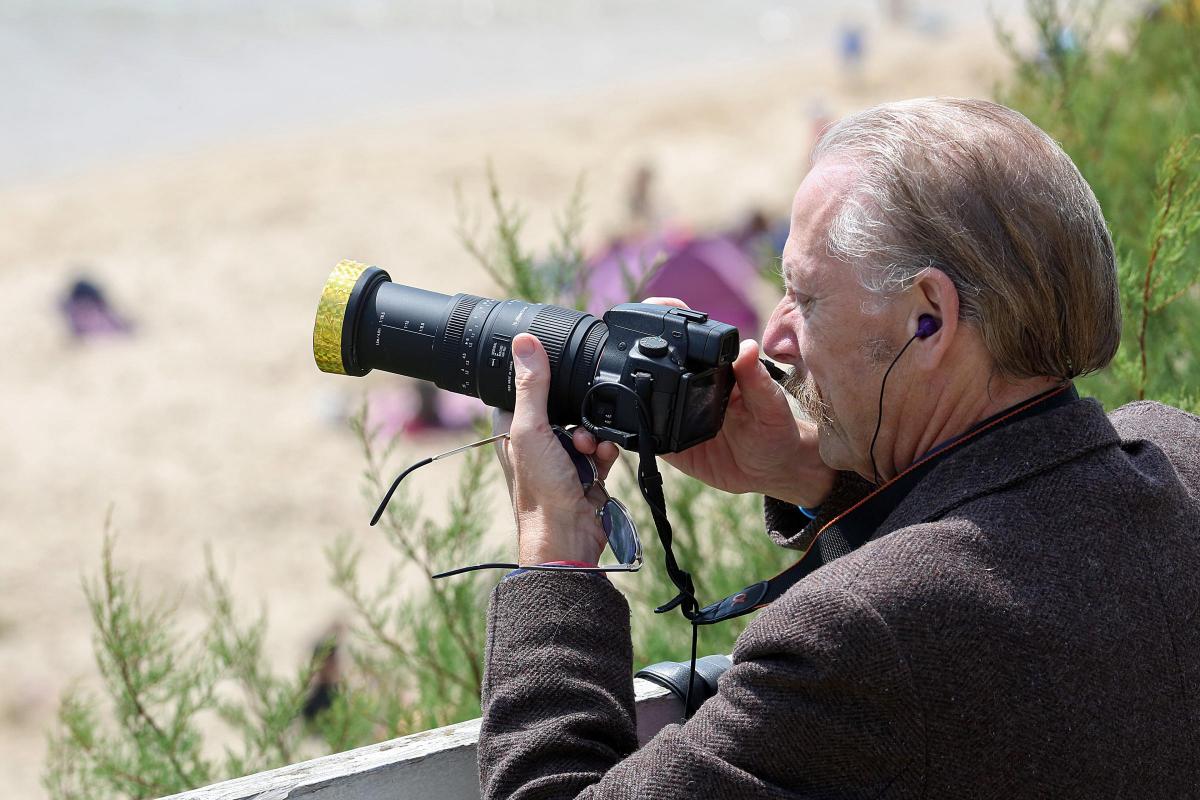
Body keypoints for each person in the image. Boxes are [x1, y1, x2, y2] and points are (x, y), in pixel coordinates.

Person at [478, 98, 1200, 798]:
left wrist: (558, 558)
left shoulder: (860, 635)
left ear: (929, 317)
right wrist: (815, 474)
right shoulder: (1177, 455)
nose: (777, 336)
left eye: (806, 297)